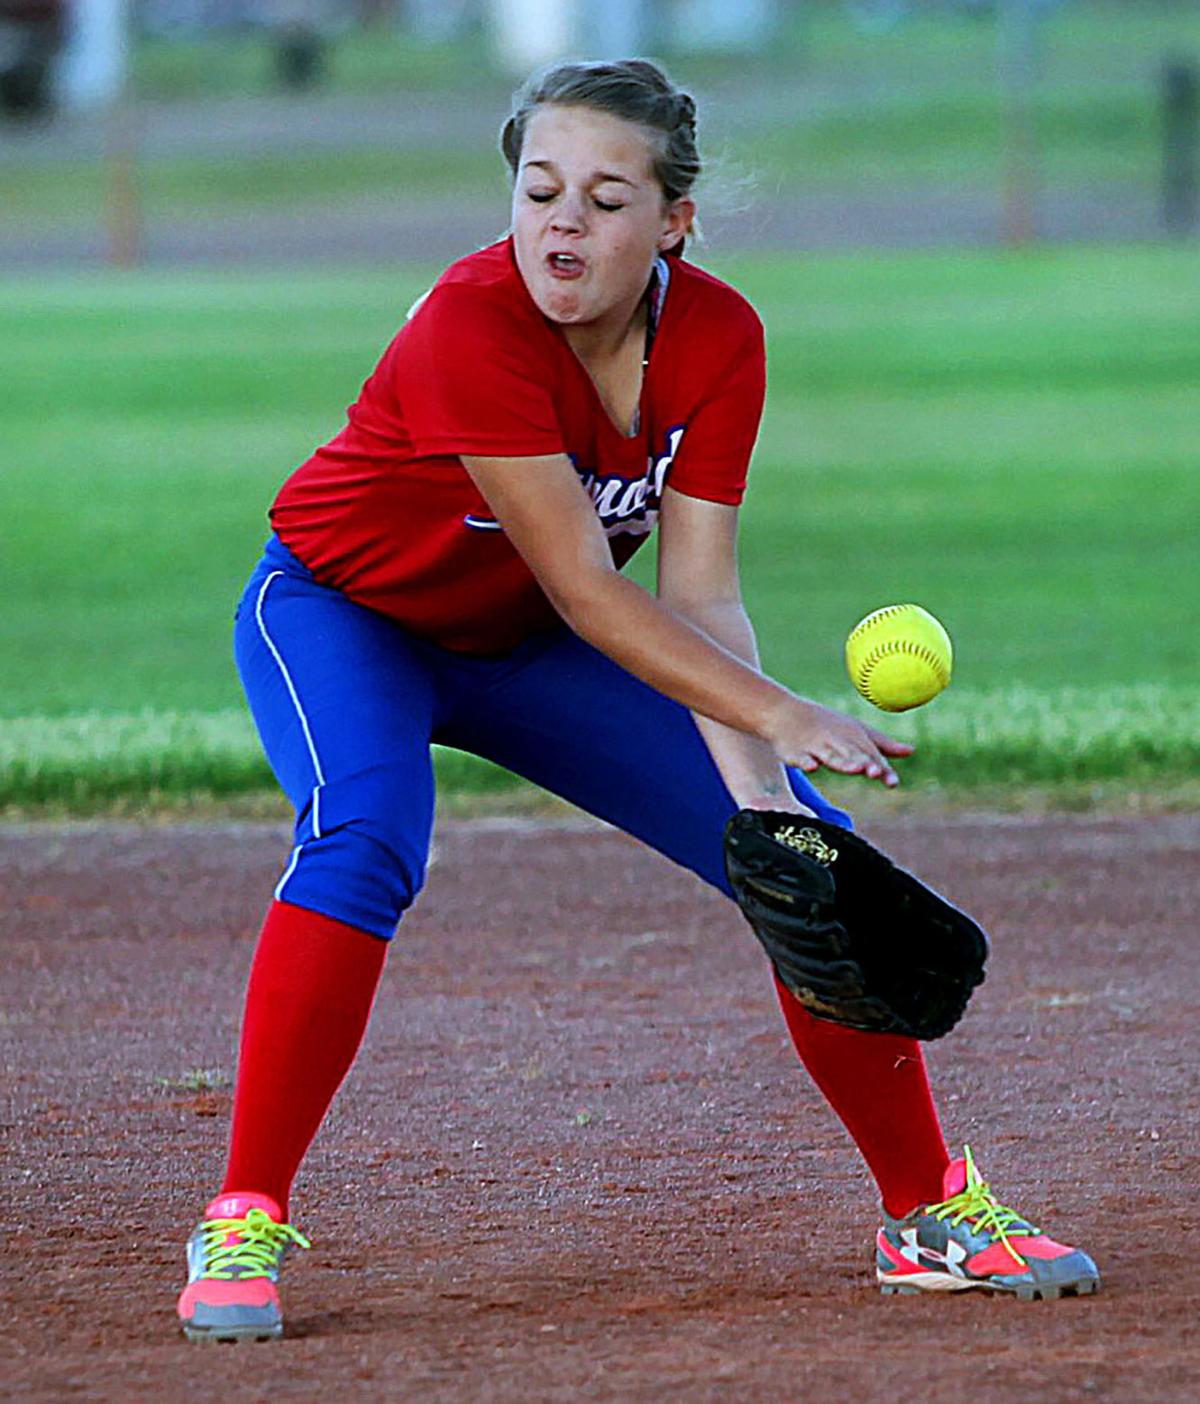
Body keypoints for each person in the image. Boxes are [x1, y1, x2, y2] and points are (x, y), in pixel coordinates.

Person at [177, 58, 1099, 1342]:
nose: (562, 220)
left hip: (527, 644)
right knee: (367, 837)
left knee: (802, 866)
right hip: (344, 616)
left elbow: (699, 593)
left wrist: (765, 791)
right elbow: (587, 589)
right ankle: (243, 1213)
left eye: (606, 199)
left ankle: (929, 1212)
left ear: (673, 220)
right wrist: (779, 711)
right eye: (538, 188)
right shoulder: (469, 324)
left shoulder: (720, 339)